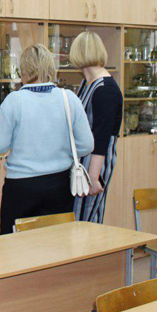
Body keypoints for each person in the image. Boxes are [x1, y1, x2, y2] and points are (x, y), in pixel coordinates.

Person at [0, 44, 94, 235]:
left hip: (21, 187)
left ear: (23, 71)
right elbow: (87, 144)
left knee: (14, 246)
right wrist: (63, 150)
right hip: (59, 185)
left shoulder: (14, 101)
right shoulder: (68, 98)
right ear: (51, 68)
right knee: (56, 242)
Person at [69, 32, 123, 224]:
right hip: (81, 164)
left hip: (94, 165)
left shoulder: (105, 89)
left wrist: (93, 177)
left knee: (88, 220)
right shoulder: (87, 83)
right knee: (76, 220)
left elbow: (102, 137)